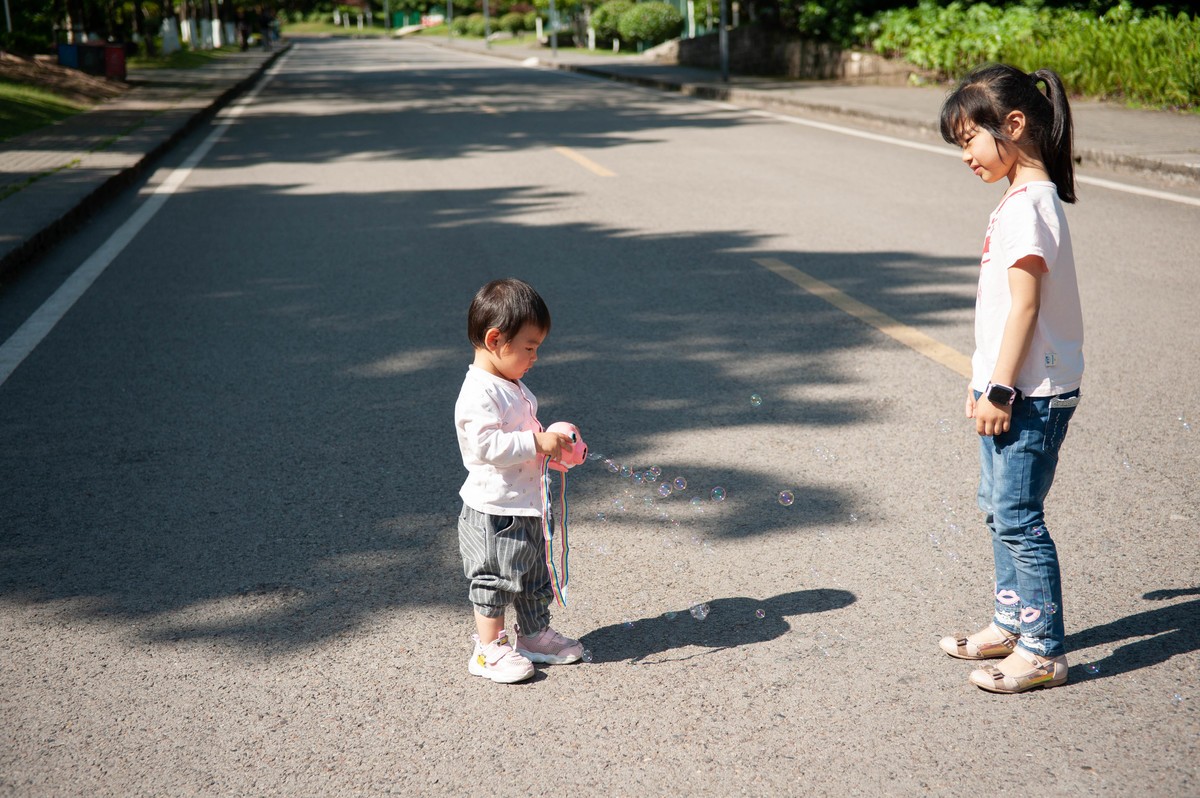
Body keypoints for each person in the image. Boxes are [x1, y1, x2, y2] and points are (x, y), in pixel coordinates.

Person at [936, 64, 1084, 693]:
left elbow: (1025, 308)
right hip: (1006, 384)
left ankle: (1044, 650)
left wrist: (999, 389)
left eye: (970, 138)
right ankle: (1011, 621)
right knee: (998, 511)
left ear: (1013, 125)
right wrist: (983, 380)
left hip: (1026, 392)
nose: (965, 154)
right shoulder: (1018, 201)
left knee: (1019, 516)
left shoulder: (1030, 207)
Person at [455, 278, 585, 684]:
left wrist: (552, 449)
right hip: (495, 512)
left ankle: (532, 635)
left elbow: (520, 435)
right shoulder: (478, 392)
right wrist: (536, 441)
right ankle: (487, 648)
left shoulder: (510, 384)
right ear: (496, 340)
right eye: (530, 347)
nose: (535, 356)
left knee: (532, 577)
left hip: (526, 504)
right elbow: (485, 446)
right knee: (495, 579)